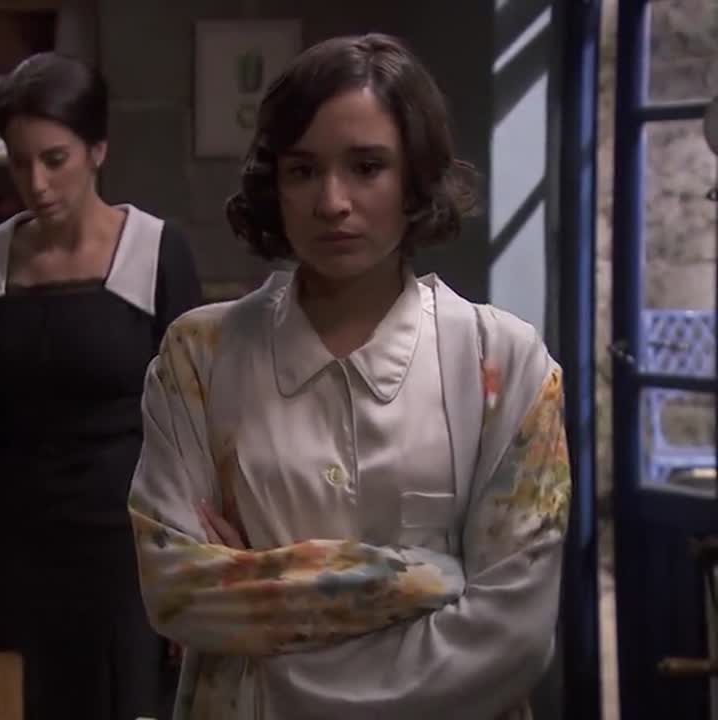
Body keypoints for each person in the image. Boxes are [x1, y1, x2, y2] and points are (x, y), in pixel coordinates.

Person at [128, 33, 571, 719]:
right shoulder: (200, 357)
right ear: (274, 184)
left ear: (414, 178)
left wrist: (261, 601)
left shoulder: (503, 363)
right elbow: (177, 591)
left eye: (367, 167)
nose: (332, 201)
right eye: (303, 171)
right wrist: (428, 581)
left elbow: (512, 636)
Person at [0, 51, 203, 720]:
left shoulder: (156, 251)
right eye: (19, 162)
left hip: (127, 548)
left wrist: (194, 575)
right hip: (19, 547)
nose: (36, 183)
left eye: (54, 159)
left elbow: (195, 428)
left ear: (97, 150)